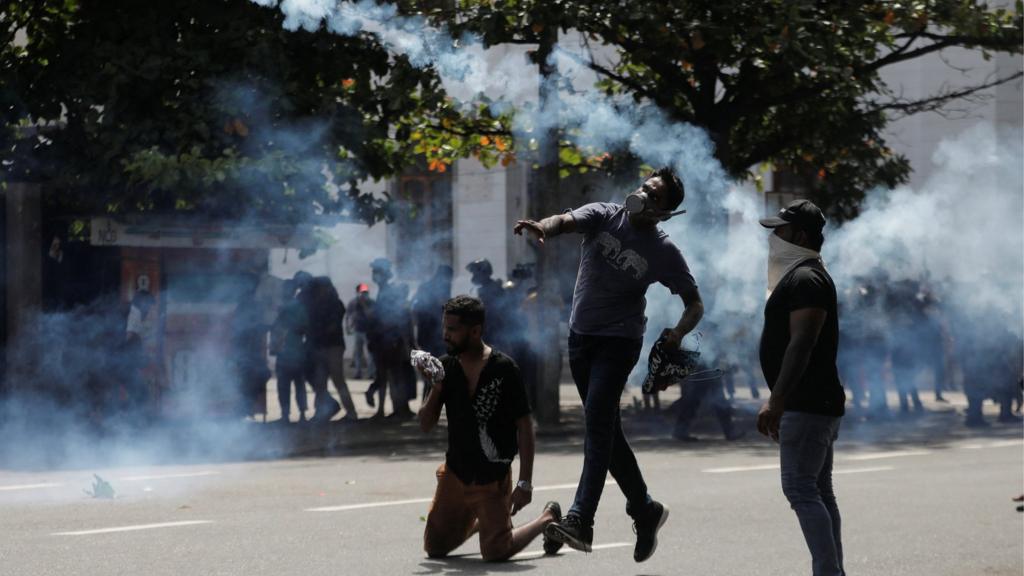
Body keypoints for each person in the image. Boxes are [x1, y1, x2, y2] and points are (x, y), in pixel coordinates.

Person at [514, 167, 702, 562]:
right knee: (607, 433)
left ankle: (582, 519)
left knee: (598, 422)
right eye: (644, 187)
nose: (644, 196)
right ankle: (645, 509)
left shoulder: (663, 250)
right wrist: (542, 226)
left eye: (655, 196)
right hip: (581, 338)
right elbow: (565, 220)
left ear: (664, 213)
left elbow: (694, 302)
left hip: (619, 342)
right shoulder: (603, 213)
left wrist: (678, 333)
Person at [417, 295, 562, 561]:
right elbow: (426, 425)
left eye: (452, 329)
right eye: (444, 328)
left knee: (496, 551)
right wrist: (436, 386)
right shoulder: (445, 367)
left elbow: (525, 427)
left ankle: (547, 518)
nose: (445, 335)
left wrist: (525, 482)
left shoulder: (504, 369)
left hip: (491, 478)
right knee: (434, 548)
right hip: (455, 473)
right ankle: (484, 525)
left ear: (475, 331)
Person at [756, 199, 846, 576]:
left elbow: (802, 343)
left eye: (781, 230)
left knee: (801, 489)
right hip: (814, 402)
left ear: (801, 236)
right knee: (818, 490)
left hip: (806, 403)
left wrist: (776, 401)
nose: (774, 238)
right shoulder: (803, 275)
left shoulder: (807, 278)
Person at [366, 258, 416, 419]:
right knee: (386, 376)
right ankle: (391, 409)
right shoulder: (383, 291)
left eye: (376, 271)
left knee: (395, 376)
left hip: (391, 341)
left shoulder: (389, 292)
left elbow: (395, 318)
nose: (374, 275)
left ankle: (399, 409)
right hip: (384, 340)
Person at [304, 276, 358, 422]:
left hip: (333, 346)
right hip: (322, 345)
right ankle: (322, 412)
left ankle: (351, 413)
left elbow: (331, 327)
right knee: (320, 382)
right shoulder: (317, 303)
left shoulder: (335, 304)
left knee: (338, 380)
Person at [271, 280, 309, 423]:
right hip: (290, 351)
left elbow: (304, 327)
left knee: (289, 384)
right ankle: (296, 414)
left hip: (292, 351)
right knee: (292, 384)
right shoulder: (295, 307)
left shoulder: (293, 307)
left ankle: (295, 414)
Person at [412, 265, 453, 398]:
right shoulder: (434, 289)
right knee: (433, 373)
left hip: (432, 336)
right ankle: (428, 404)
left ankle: (429, 403)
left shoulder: (427, 287)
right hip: (432, 336)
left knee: (433, 373)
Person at [345, 283, 375, 380]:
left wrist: (364, 305)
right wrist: (348, 328)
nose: (364, 294)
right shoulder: (353, 302)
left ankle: (371, 373)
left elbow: (372, 316)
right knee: (358, 353)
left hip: (368, 331)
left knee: (370, 353)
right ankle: (358, 373)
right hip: (358, 330)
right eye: (362, 292)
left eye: (365, 292)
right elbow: (348, 315)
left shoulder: (371, 302)